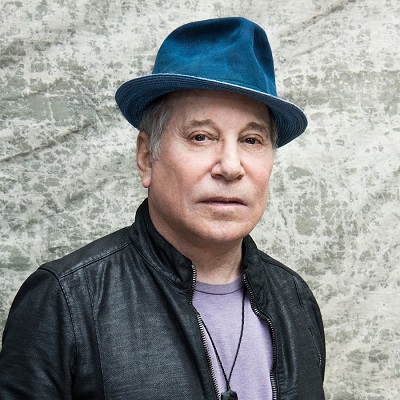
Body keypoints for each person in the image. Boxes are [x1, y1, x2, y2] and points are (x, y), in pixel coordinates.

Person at [0, 17, 325, 400]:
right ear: (145, 157)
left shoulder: (295, 300)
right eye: (201, 136)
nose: (230, 166)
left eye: (251, 140)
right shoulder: (66, 300)